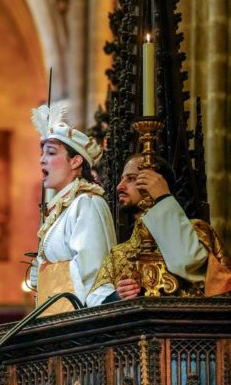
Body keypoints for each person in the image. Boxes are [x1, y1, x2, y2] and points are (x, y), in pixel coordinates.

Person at [86, 154, 231, 306]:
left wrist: (162, 197)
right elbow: (94, 300)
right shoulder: (118, 254)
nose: (119, 186)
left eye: (131, 178)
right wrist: (117, 296)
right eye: (122, 179)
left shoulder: (196, 231)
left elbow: (186, 261)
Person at [28, 104, 117, 315]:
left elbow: (93, 275)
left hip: (78, 321)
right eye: (42, 153)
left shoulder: (87, 203)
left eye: (51, 153)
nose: (42, 159)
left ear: (75, 161)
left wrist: (46, 271)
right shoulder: (63, 209)